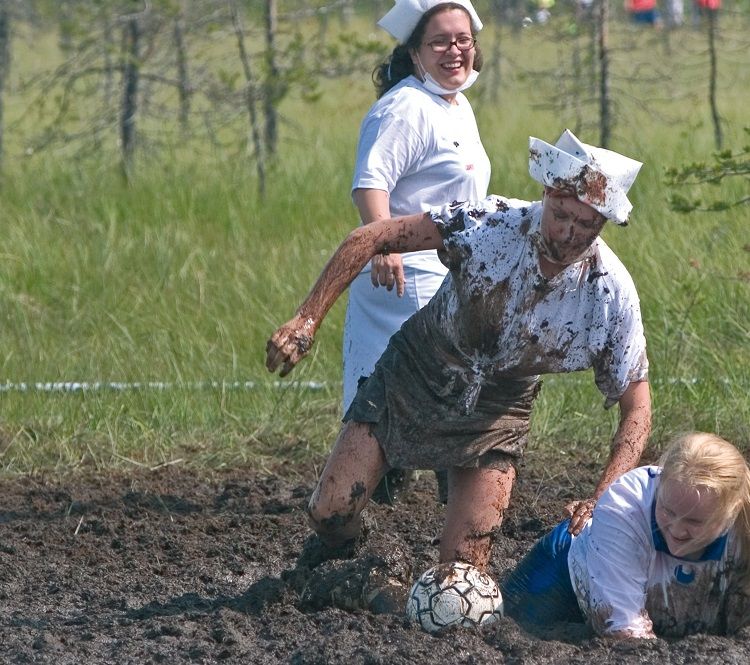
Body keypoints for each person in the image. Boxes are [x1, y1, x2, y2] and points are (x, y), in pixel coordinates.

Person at [266, 129, 652, 574]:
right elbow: (371, 237)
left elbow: (637, 407)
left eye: (587, 225)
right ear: (546, 194)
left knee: (463, 570)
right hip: (417, 371)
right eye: (562, 215)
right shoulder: (488, 223)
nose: (569, 234)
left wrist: (603, 496)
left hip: (498, 409)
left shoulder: (609, 292)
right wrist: (306, 320)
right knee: (329, 512)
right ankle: (346, 566)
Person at [345, 1, 491, 503]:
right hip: (405, 279)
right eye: (440, 42)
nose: (455, 51)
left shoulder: (455, 103)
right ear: (415, 52)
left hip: (447, 277)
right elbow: (370, 184)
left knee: (449, 398)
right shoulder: (403, 107)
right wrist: (382, 242)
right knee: (401, 399)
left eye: (462, 39)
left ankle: (449, 507)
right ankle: (359, 511)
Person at [502, 432, 750, 638]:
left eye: (694, 521)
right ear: (659, 486)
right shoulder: (624, 506)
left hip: (676, 606)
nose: (676, 529)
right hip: (567, 579)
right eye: (666, 510)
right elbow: (624, 633)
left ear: (732, 511)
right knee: (508, 631)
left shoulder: (744, 522)